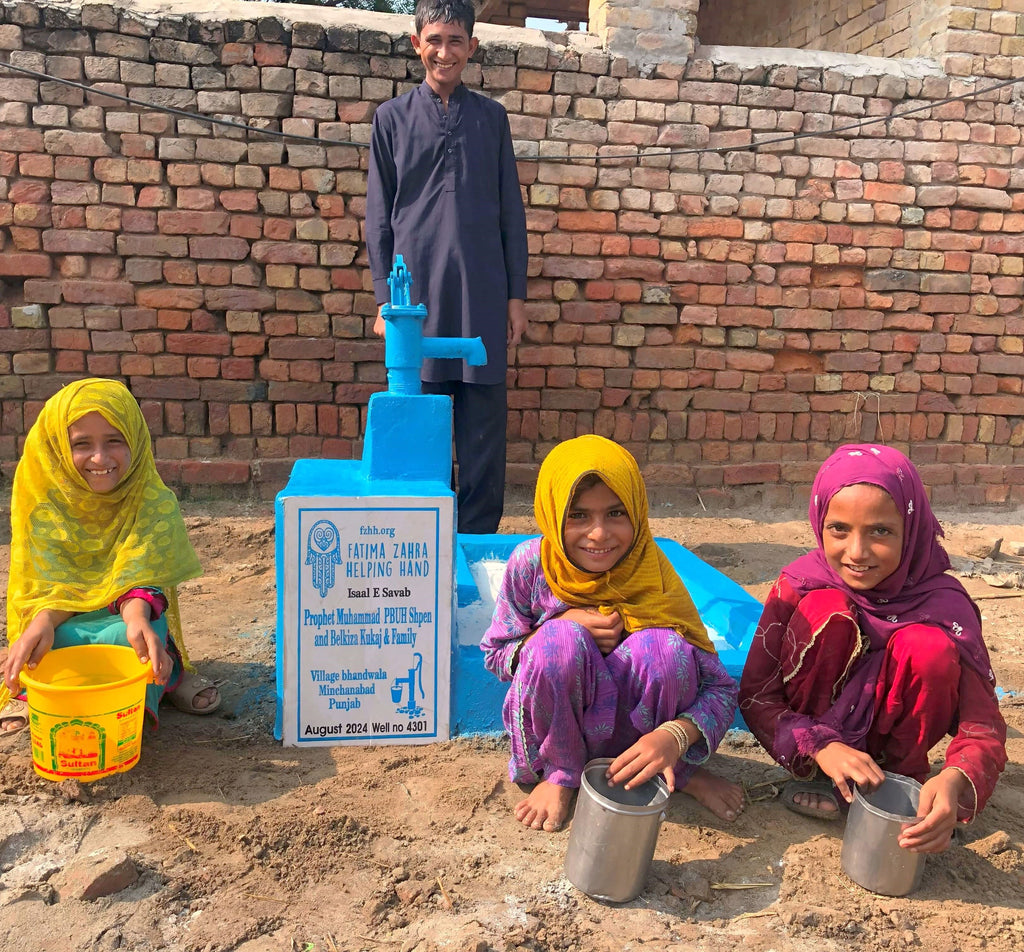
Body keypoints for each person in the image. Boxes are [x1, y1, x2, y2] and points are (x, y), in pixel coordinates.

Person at [739, 444, 1007, 853]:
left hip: (902, 762)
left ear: (911, 528)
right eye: (839, 529)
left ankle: (903, 780)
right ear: (819, 522)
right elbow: (757, 694)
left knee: (928, 646)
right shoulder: (800, 585)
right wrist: (817, 745)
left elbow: (982, 725)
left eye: (880, 531)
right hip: (819, 749)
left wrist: (954, 778)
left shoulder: (945, 604)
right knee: (827, 612)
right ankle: (822, 776)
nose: (857, 553)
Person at [481, 435, 745, 832]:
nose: (599, 534)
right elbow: (497, 655)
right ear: (553, 514)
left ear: (638, 511)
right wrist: (558, 626)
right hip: (563, 729)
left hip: (646, 744)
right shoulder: (532, 566)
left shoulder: (651, 570)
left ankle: (675, 771)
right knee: (558, 644)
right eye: (579, 516)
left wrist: (675, 737)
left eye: (616, 513)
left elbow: (720, 689)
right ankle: (560, 773)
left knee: (665, 648)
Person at [365, 0, 529, 534]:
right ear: (417, 44)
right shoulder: (391, 120)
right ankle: (423, 539)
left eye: (456, 41)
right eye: (434, 40)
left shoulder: (492, 119)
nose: (444, 52)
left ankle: (478, 541)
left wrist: (516, 299)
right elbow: (379, 218)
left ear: (472, 48)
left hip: (483, 293)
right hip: (415, 302)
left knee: (483, 430)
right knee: (423, 427)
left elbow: (511, 213)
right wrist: (383, 301)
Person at [0, 377, 220, 736]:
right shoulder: (42, 506)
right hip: (63, 623)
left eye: (114, 441)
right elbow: (46, 586)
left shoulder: (153, 502)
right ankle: (31, 690)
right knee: (42, 642)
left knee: (144, 636)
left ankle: (168, 677)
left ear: (135, 439)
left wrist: (136, 618)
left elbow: (142, 579)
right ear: (56, 447)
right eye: (81, 444)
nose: (100, 458)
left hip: (123, 622)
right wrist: (42, 621)